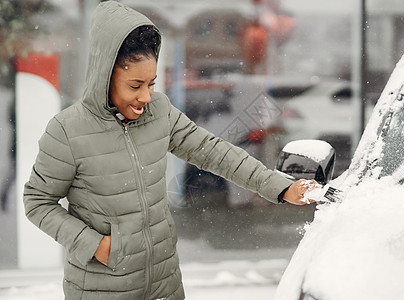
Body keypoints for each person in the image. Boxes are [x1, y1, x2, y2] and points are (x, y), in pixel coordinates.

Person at [23, 1, 319, 299]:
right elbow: (37, 201)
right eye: (135, 85)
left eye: (151, 84)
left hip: (164, 283)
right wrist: (94, 244)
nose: (145, 96)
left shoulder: (159, 111)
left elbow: (214, 151)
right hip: (103, 288)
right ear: (106, 74)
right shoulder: (68, 130)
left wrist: (280, 187)